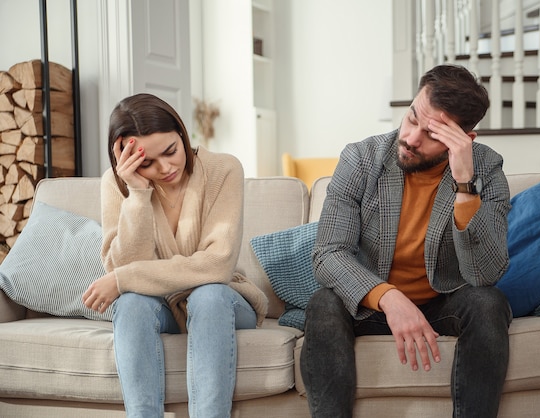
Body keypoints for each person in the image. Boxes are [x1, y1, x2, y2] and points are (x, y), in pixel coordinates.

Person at [300, 64, 512, 418]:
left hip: (441, 300)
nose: (412, 138)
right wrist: (390, 298)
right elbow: (328, 253)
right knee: (323, 303)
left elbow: (484, 274)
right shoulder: (361, 158)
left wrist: (463, 184)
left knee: (489, 302)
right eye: (412, 118)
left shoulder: (486, 170)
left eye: (432, 134)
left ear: (463, 140)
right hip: (373, 304)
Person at [81, 93, 268, 418]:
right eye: (147, 162)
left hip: (225, 301)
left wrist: (125, 279)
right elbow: (122, 266)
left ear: (182, 134)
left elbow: (217, 265)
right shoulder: (115, 184)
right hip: (161, 306)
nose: (166, 167)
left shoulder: (223, 169)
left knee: (208, 295)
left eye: (171, 151)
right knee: (131, 304)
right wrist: (137, 194)